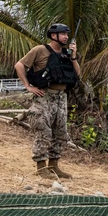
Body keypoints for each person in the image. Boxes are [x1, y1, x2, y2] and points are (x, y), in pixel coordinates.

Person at [14, 23, 81, 180]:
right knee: (43, 132)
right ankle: (41, 167)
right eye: (63, 34)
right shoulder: (39, 50)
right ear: (53, 35)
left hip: (61, 98)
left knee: (60, 133)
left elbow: (77, 74)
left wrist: (73, 56)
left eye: (67, 34)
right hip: (44, 96)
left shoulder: (67, 53)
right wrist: (27, 86)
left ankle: (54, 166)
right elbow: (19, 65)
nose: (66, 37)